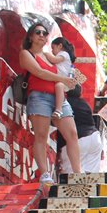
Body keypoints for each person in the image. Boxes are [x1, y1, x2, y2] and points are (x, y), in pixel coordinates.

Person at [18, 23, 80, 184]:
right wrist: (63, 79)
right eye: (37, 32)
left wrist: (69, 79)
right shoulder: (26, 54)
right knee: (41, 135)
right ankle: (45, 173)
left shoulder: (48, 55)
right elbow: (39, 72)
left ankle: (77, 173)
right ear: (30, 36)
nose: (41, 35)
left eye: (45, 33)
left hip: (58, 96)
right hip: (39, 96)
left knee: (72, 133)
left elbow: (64, 66)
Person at [57, 85, 102, 174]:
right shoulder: (85, 104)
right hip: (94, 138)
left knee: (72, 179)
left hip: (77, 141)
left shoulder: (63, 104)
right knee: (91, 179)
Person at [44, 37, 76, 120]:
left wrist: (46, 54)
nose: (52, 51)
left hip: (63, 80)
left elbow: (54, 60)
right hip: (60, 79)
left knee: (59, 87)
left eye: (53, 48)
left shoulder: (64, 54)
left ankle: (59, 109)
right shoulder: (63, 54)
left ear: (60, 46)